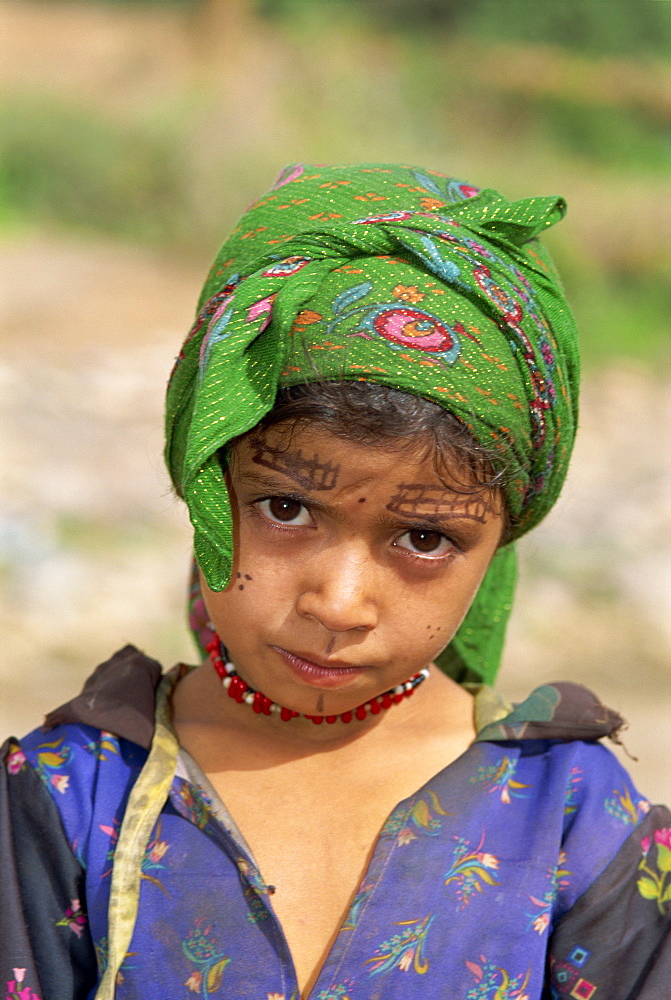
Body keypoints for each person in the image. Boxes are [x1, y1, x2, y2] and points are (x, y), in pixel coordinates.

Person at [2, 163, 669, 1000]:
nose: (338, 602)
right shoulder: (74, 794)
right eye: (284, 507)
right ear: (207, 484)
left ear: (500, 540)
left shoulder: (573, 820)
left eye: (425, 536)